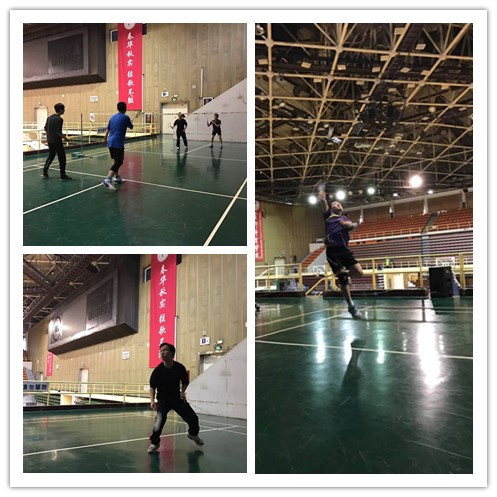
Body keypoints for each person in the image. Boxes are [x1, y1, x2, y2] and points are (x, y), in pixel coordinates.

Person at [148, 342, 204, 453]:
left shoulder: (179, 367)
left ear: (172, 353)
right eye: (160, 351)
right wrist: (152, 401)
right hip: (163, 400)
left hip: (177, 399)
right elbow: (152, 386)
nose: (162, 353)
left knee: (193, 418)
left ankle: (193, 434)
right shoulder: (158, 370)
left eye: (165, 350)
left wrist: (183, 392)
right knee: (159, 421)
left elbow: (185, 381)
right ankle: (155, 443)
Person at [318, 188, 364, 319]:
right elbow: (322, 201)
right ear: (331, 209)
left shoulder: (344, 218)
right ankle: (351, 306)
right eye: (334, 204)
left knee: (359, 272)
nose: (337, 205)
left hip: (344, 249)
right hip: (333, 251)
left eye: (338, 204)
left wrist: (348, 225)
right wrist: (321, 189)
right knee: (343, 280)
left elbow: (353, 225)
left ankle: (345, 274)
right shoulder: (328, 216)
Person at [102, 102, 134, 191]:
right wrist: (130, 122)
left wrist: (105, 138)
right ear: (125, 108)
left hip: (110, 142)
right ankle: (108, 179)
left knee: (115, 161)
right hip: (117, 143)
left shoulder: (112, 117)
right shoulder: (125, 117)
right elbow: (131, 126)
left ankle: (117, 177)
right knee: (119, 162)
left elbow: (108, 129)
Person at [41, 103, 71, 181]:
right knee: (62, 158)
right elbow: (58, 131)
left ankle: (44, 172)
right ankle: (62, 176)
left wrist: (50, 135)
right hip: (57, 142)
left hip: (50, 141)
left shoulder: (49, 118)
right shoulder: (59, 119)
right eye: (63, 109)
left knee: (51, 156)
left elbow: (45, 128)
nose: (64, 110)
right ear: (60, 110)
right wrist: (65, 138)